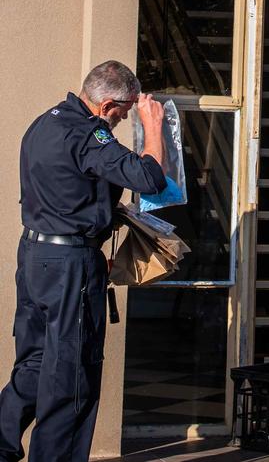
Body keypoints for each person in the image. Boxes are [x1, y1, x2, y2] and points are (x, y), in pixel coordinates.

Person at [0, 60, 167, 461]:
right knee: (73, 375)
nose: (123, 120)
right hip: (69, 265)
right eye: (123, 113)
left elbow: (71, 187)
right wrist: (154, 124)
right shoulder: (89, 134)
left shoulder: (45, 122)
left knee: (35, 364)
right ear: (108, 105)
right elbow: (151, 178)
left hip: (35, 255)